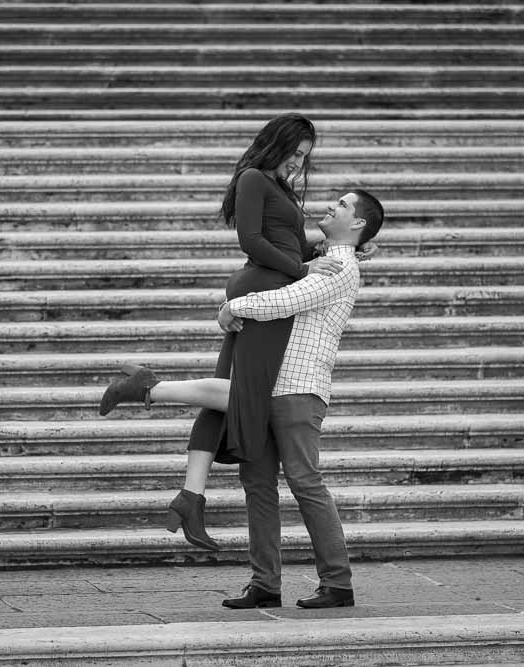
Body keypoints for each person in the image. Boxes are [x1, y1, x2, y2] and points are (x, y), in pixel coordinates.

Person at [103, 189, 385, 609]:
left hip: (299, 388)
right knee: (257, 484)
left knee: (305, 482)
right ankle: (265, 584)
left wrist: (233, 305)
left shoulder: (341, 265)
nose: (331, 206)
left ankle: (338, 583)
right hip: (266, 382)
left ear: (359, 223)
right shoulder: (321, 258)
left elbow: (289, 299)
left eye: (342, 205)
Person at [100, 113, 349, 552]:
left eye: (304, 157)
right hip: (263, 292)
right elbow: (251, 241)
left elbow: (287, 244)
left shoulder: (279, 186)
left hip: (267, 288)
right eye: (294, 153)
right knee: (248, 396)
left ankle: (190, 498)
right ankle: (148, 387)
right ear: (276, 144)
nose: (298, 162)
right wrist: (302, 268)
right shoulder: (253, 178)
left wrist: (334, 251)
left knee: (230, 395)